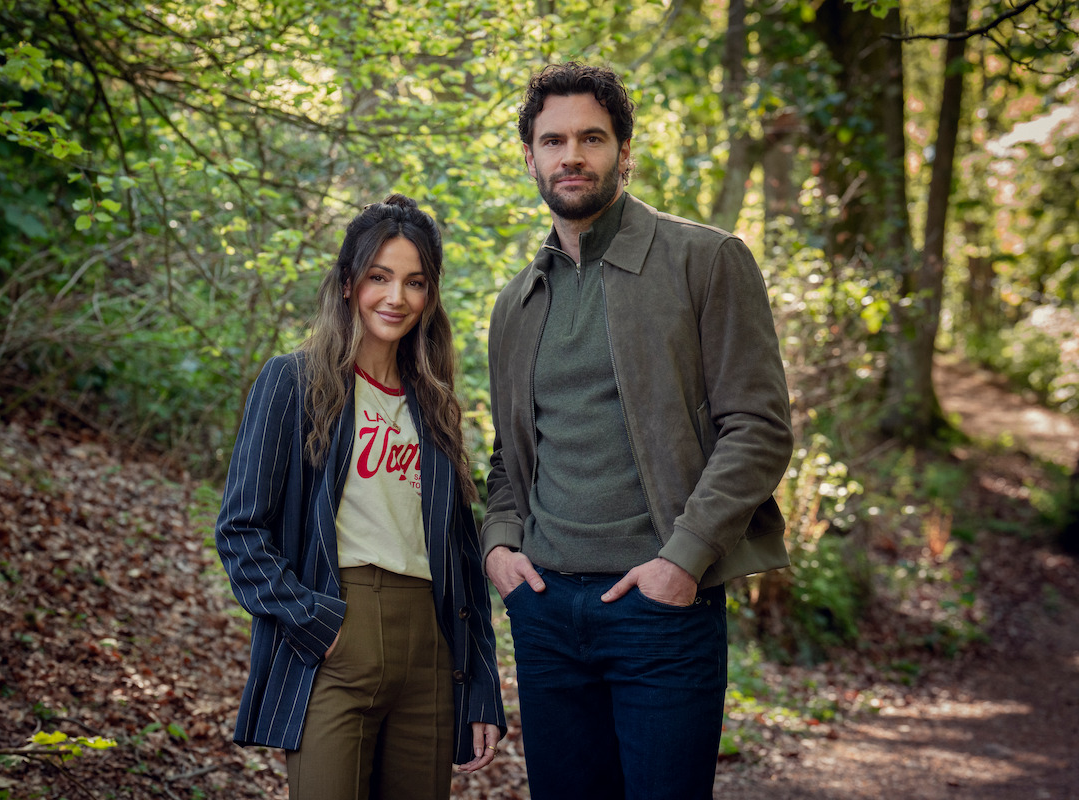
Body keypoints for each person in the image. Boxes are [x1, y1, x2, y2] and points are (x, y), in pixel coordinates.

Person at [482, 63, 793, 800]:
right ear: (529, 155)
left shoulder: (705, 260)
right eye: (553, 140)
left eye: (592, 137)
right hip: (546, 615)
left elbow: (758, 429)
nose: (572, 157)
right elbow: (510, 455)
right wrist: (497, 542)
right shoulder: (516, 302)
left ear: (625, 151)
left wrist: (681, 563)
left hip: (659, 610)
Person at [215, 194, 506, 800]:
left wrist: (479, 684)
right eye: (380, 277)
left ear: (430, 295)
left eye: (414, 282)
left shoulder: (438, 409)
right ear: (349, 284)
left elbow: (461, 558)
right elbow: (241, 530)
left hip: (429, 648)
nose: (395, 297)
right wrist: (319, 624)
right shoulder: (293, 383)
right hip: (339, 634)